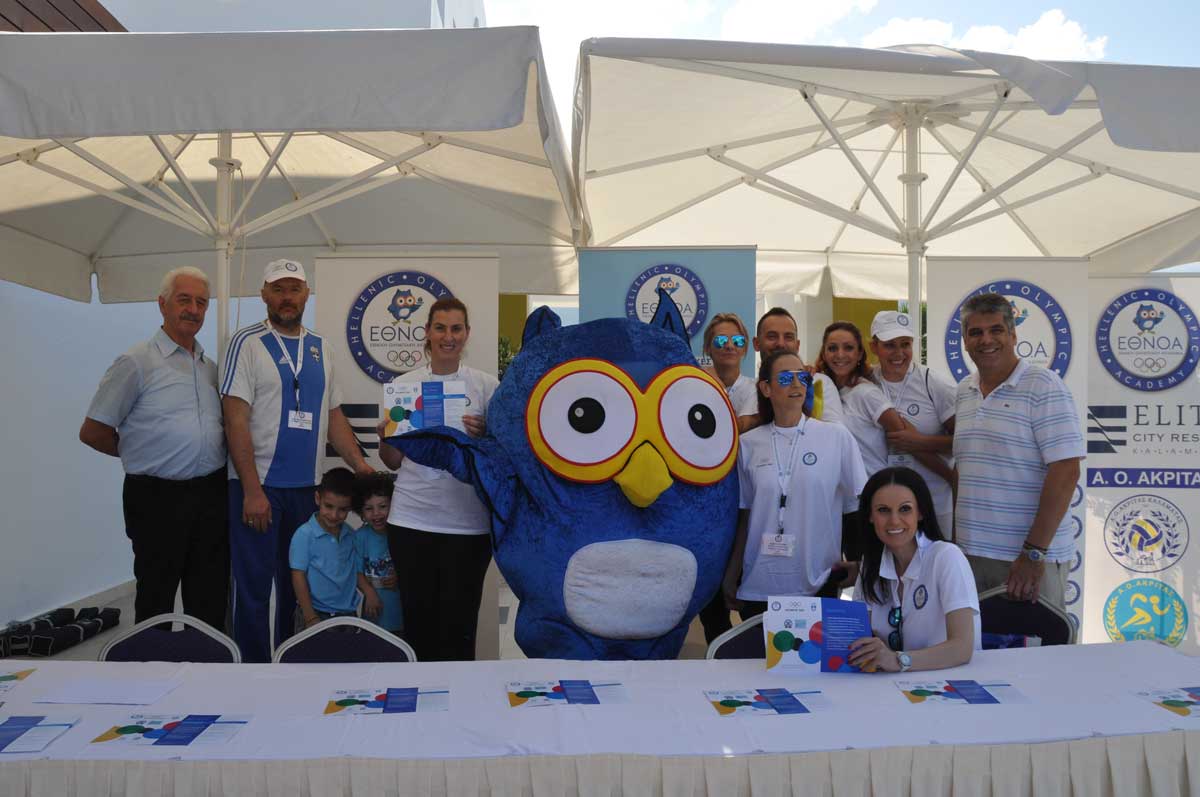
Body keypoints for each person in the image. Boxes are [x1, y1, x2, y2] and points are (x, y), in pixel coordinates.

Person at [222, 258, 373, 662]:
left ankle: (292, 664)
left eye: (294, 289)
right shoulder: (246, 342)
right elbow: (235, 419)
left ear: (307, 294)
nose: (287, 297)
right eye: (278, 289)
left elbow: (333, 415)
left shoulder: (322, 347)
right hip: (258, 490)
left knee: (298, 585)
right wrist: (252, 490)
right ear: (264, 295)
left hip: (306, 491)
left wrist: (361, 466)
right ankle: (255, 672)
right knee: (255, 588)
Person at [80, 266, 228, 628]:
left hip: (211, 495)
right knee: (156, 598)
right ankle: (150, 663)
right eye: (184, 300)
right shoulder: (136, 363)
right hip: (156, 499)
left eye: (201, 303)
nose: (193, 309)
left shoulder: (210, 368)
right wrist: (141, 450)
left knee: (209, 597)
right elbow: (93, 431)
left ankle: (205, 662)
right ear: (162, 304)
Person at [377, 297, 499, 661]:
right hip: (412, 521)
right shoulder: (404, 386)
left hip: (468, 525)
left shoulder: (486, 386)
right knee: (419, 627)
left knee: (460, 630)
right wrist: (386, 437)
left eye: (456, 329)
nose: (449, 337)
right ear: (427, 332)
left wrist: (485, 436)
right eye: (441, 328)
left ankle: (459, 698)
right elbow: (392, 461)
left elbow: (500, 460)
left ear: (467, 333)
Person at [953, 293, 1083, 614]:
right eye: (976, 332)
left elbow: (1066, 471)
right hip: (971, 556)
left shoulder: (1045, 386)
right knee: (976, 645)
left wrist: (1033, 553)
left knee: (1035, 646)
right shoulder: (964, 391)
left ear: (1013, 335)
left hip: (1025, 562)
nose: (986, 340)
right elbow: (965, 469)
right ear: (965, 342)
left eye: (996, 330)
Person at [722, 350, 867, 618]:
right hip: (758, 586)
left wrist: (860, 562)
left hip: (818, 583)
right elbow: (745, 514)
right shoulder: (748, 444)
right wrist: (732, 573)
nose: (797, 384)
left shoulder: (836, 437)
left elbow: (855, 507)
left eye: (803, 377)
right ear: (766, 388)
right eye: (786, 378)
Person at [848, 467, 979, 673]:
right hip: (893, 685)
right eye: (883, 510)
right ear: (870, 516)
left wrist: (898, 660)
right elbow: (858, 636)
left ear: (921, 512)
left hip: (952, 682)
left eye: (905, 509)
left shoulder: (946, 556)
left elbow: (962, 648)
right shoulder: (870, 564)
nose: (894, 520)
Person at [869, 311, 957, 536]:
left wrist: (920, 442)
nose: (899, 353)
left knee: (937, 555)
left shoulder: (934, 383)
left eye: (905, 344)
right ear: (874, 347)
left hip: (934, 499)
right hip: (886, 506)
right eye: (890, 345)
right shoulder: (866, 382)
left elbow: (964, 442)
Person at [697, 312, 755, 643]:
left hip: (746, 495)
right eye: (720, 340)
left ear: (745, 347)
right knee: (711, 601)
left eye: (736, 340)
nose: (729, 346)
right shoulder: (695, 385)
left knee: (746, 587)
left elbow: (727, 431)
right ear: (708, 347)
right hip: (707, 498)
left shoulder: (754, 389)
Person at [289, 468, 381, 632]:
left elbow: (355, 571)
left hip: (348, 615)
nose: (333, 515)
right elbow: (298, 576)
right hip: (314, 614)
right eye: (328, 506)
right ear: (318, 498)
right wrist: (310, 617)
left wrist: (369, 591)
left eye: (342, 509)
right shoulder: (304, 535)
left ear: (350, 508)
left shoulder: (351, 535)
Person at [815, 321, 907, 478]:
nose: (840, 354)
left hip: (872, 486)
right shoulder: (822, 390)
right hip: (837, 488)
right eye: (832, 348)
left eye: (848, 348)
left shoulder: (867, 393)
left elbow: (905, 439)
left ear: (859, 354)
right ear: (824, 353)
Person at [740, 307, 844, 430]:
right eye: (772, 336)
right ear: (757, 343)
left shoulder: (819, 382)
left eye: (788, 337)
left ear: (797, 345)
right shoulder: (749, 389)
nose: (780, 343)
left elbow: (835, 434)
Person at [354, 472, 403, 635]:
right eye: (369, 508)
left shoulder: (401, 534)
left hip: (401, 618)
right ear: (361, 512)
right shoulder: (360, 537)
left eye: (383, 506)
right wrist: (369, 593)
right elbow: (356, 572)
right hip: (372, 619)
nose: (376, 514)